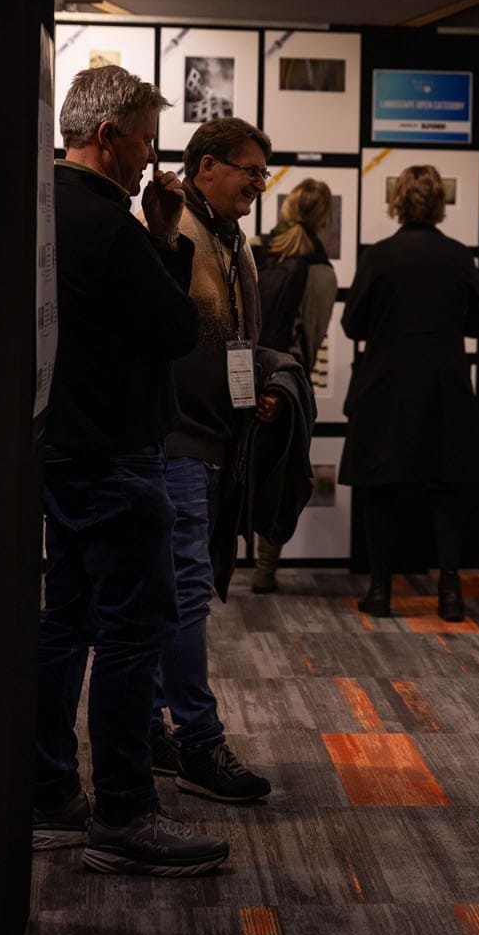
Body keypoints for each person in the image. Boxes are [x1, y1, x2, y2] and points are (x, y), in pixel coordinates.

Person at [33, 64, 229, 877]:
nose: (153, 159)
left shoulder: (43, 205)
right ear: (107, 136)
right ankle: (123, 813)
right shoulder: (111, 223)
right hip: (117, 456)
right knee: (131, 633)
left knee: (64, 626)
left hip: (62, 450)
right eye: (145, 139)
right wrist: (168, 235)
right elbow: (178, 328)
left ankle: (46, 796)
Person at [148, 118, 275, 803]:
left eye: (263, 171)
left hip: (207, 440)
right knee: (184, 593)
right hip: (178, 441)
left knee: (172, 593)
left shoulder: (230, 240)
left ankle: (150, 728)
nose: (260, 182)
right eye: (249, 169)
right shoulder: (176, 236)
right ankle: (199, 742)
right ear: (205, 169)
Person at [338, 164, 479, 621]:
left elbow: (352, 324)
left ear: (398, 201)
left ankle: (381, 590)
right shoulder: (460, 256)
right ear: (439, 203)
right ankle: (449, 592)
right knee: (446, 488)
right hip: (444, 385)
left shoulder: (379, 256)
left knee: (380, 488)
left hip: (386, 385)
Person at [250, 178, 338, 593]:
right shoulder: (322, 272)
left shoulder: (252, 248)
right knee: (280, 472)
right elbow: (315, 337)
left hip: (242, 371)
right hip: (288, 382)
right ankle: (265, 572)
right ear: (324, 218)